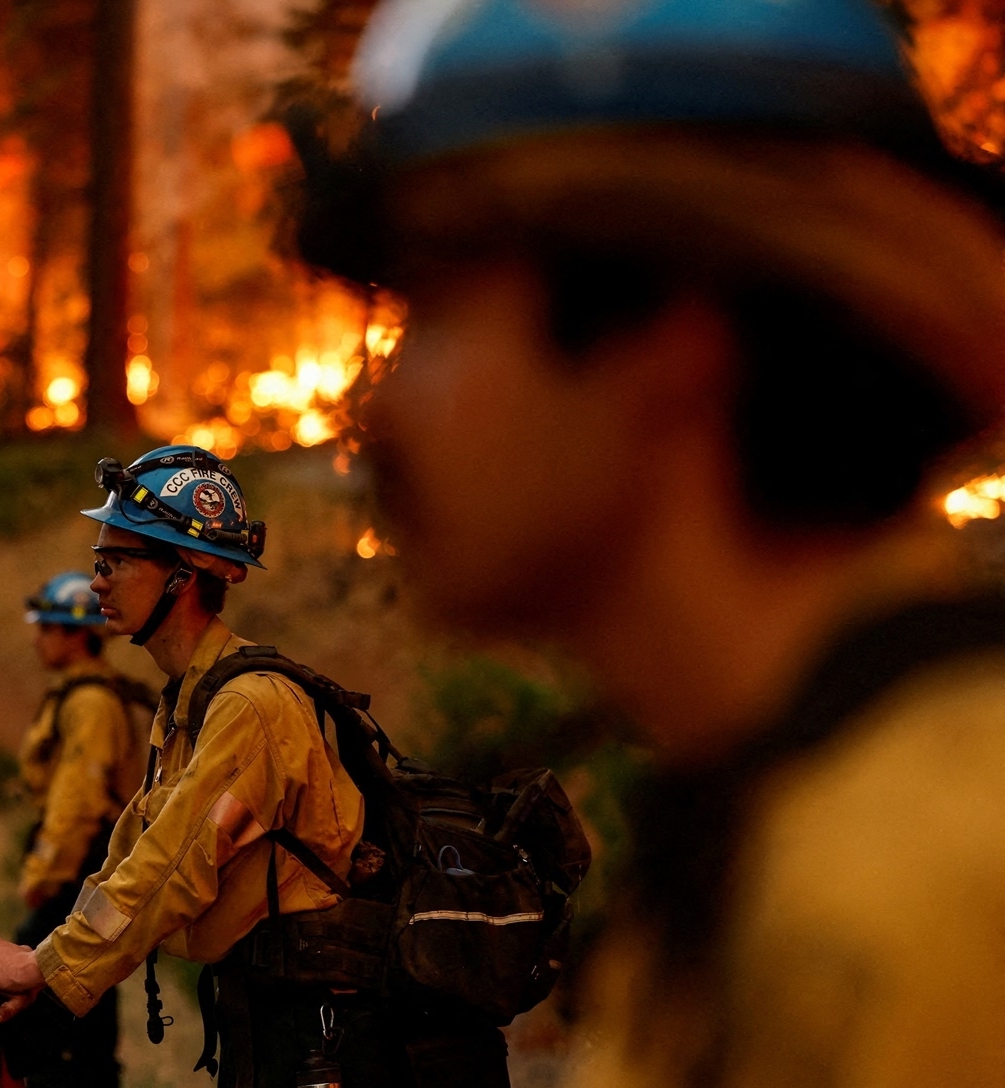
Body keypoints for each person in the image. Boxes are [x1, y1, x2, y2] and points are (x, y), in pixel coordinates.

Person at [303, 1, 1005, 1084]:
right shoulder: (765, 838)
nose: (379, 412)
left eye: (434, 311)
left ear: (673, 343)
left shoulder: (939, 897)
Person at [0, 446, 490, 1088]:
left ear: (184, 575)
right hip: (270, 1012)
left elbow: (177, 866)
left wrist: (47, 967)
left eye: (115, 560)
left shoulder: (250, 705)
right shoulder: (190, 698)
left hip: (328, 1030)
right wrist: (47, 966)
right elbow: (136, 852)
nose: (96, 579)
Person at [13, 572, 150, 1088]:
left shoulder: (89, 703)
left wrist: (43, 873)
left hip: (79, 866)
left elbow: (75, 803)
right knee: (83, 993)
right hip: (86, 863)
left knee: (41, 986)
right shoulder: (80, 694)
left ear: (77, 633)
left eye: (47, 627)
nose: (37, 638)